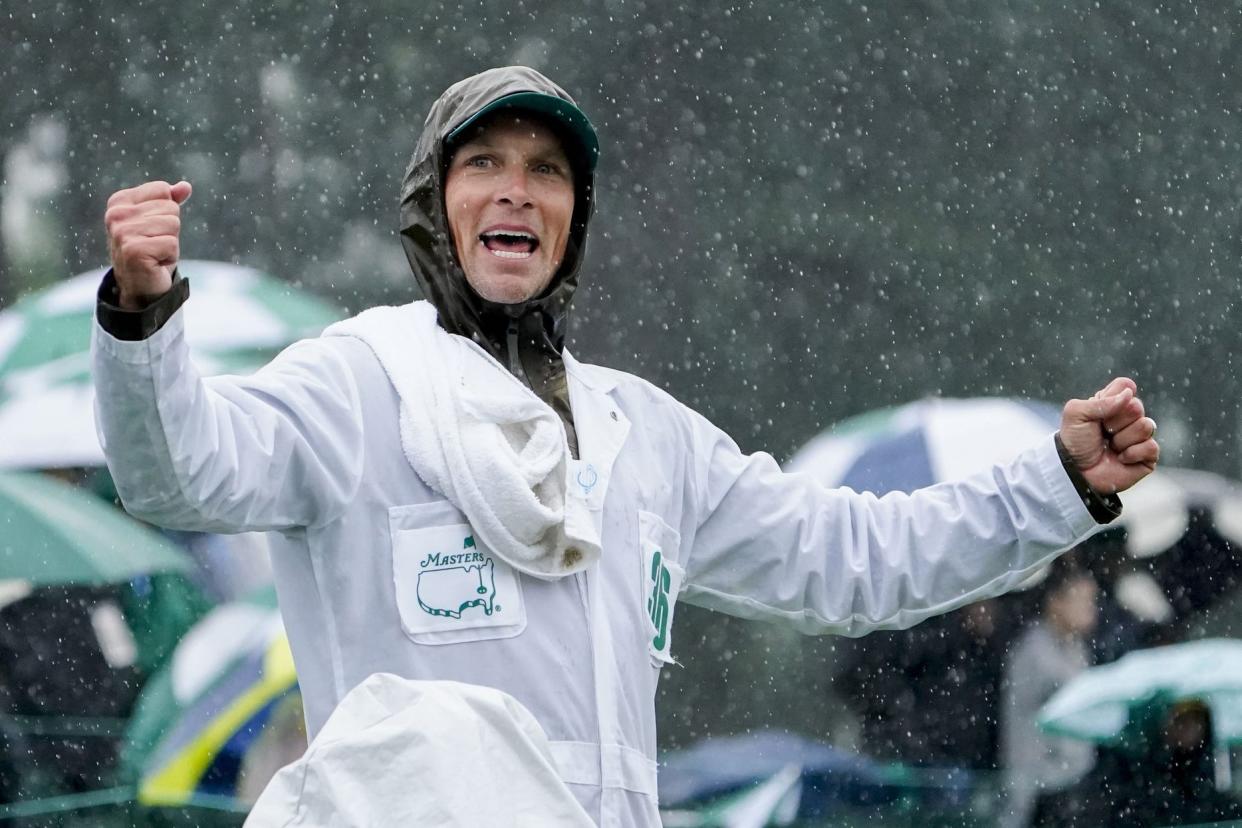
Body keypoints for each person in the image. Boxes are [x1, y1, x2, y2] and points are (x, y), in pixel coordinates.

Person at [92, 66, 1159, 826]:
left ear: (574, 219)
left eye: (548, 171)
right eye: (485, 163)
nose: (518, 187)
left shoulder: (642, 435)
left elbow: (854, 560)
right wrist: (144, 319)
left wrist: (1057, 485)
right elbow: (178, 471)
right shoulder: (355, 390)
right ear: (433, 208)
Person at [1000, 557, 1100, 827]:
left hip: (1075, 778)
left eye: (1092, 600)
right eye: (1082, 600)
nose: (1091, 609)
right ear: (1055, 602)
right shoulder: (1032, 651)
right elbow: (1022, 723)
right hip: (1040, 786)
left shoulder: (1079, 648)